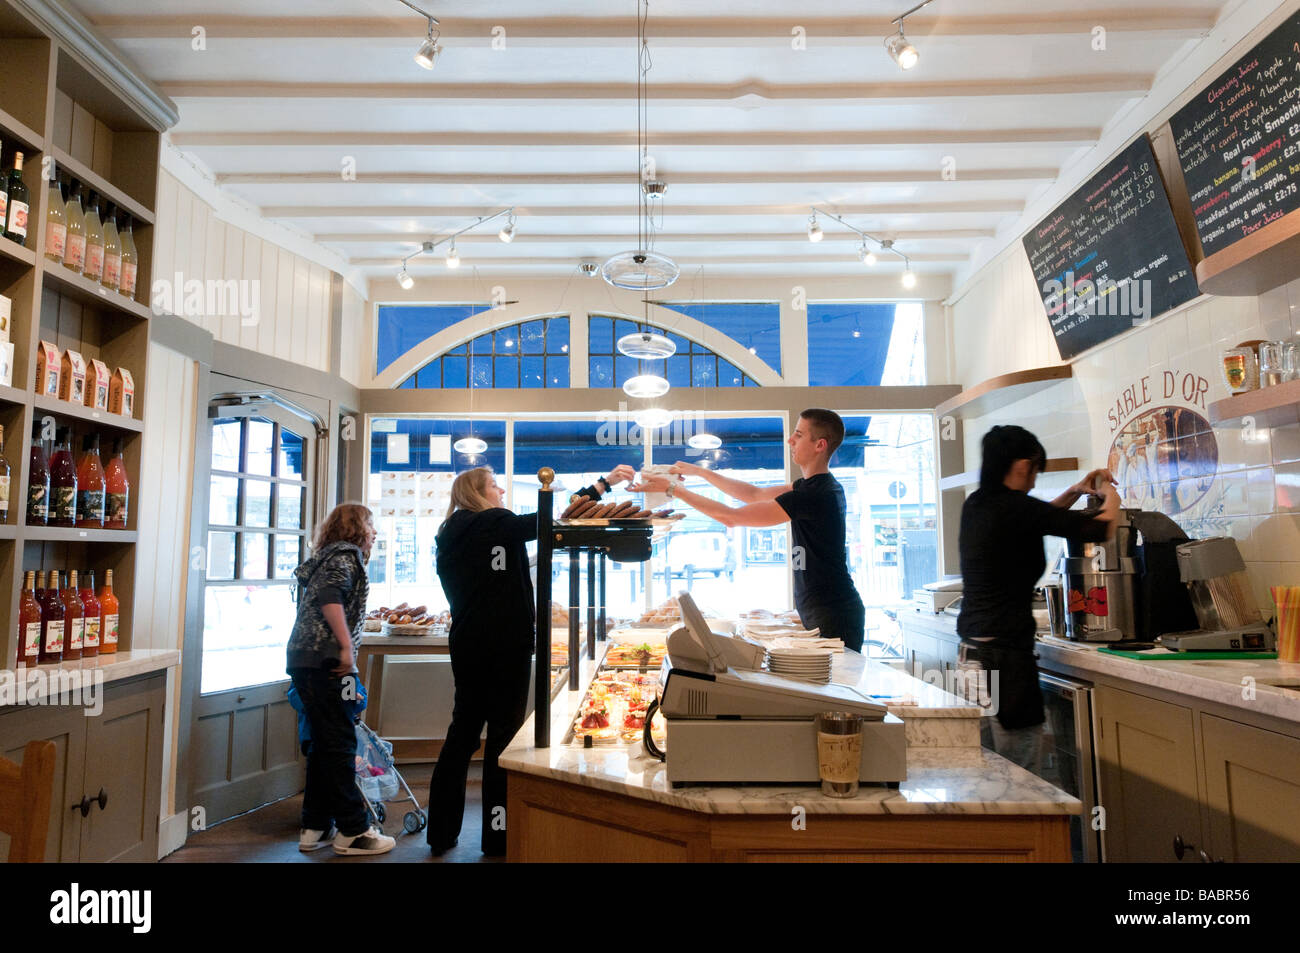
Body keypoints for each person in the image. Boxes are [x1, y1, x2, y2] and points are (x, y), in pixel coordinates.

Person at [427, 463, 635, 856]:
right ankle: (497, 836)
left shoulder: (451, 532)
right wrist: (602, 484)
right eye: (494, 486)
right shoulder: (493, 522)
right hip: (506, 644)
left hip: (467, 643)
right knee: (502, 738)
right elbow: (550, 519)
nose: (501, 492)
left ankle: (440, 831)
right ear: (476, 493)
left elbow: (502, 566)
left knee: (462, 734)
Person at [631, 409, 866, 651]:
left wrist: (674, 490)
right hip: (826, 610)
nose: (790, 440)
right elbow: (755, 494)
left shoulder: (815, 495)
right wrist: (700, 472)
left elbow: (731, 518)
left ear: (820, 445)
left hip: (834, 614)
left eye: (798, 435)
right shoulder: (811, 487)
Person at [956, 425, 1119, 774]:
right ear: (1022, 465)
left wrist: (1076, 490)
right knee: (1021, 782)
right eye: (1035, 471)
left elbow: (1042, 517)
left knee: (985, 778)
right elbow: (1103, 528)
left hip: (971, 661)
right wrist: (1110, 489)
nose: (1033, 481)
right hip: (1007, 665)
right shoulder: (1019, 509)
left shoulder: (978, 504)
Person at [286, 502, 393, 856]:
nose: (374, 533)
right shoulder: (347, 558)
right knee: (340, 742)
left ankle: (313, 825)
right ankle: (354, 830)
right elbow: (331, 599)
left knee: (322, 741)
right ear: (357, 529)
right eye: (371, 526)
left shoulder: (324, 558)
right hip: (327, 661)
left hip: (303, 658)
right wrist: (346, 648)